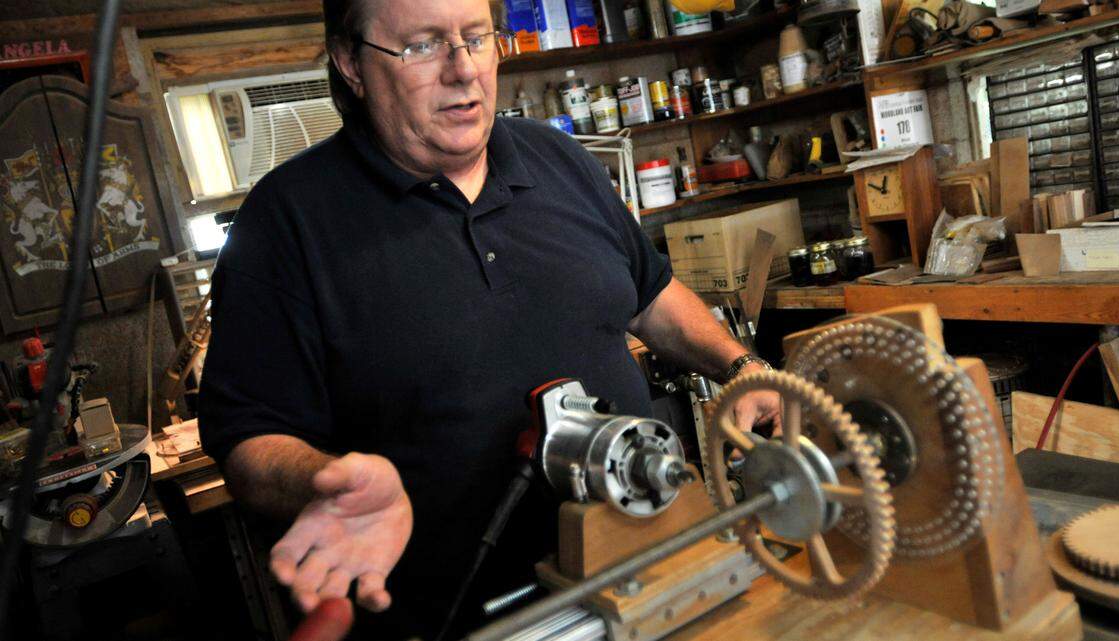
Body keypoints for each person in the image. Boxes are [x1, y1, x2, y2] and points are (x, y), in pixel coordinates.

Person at [198, 0, 781, 638]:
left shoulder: (558, 158)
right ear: (351, 63)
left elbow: (651, 295)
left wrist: (741, 366)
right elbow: (248, 439)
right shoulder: (284, 223)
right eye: (423, 45)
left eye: (476, 38)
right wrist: (324, 482)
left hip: (656, 577)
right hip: (457, 620)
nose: (463, 70)